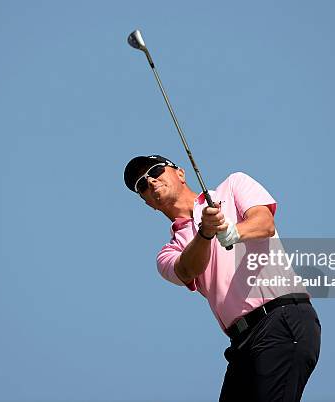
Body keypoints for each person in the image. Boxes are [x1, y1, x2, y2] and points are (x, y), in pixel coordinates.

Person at [124, 154, 321, 402]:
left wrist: (232, 231)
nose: (150, 181)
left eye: (155, 171)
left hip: (281, 318)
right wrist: (206, 233)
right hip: (241, 343)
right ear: (148, 203)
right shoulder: (168, 253)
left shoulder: (233, 186)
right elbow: (187, 270)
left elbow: (264, 223)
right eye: (141, 184)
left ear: (181, 173)